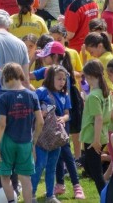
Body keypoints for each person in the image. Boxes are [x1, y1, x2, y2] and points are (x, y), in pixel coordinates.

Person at [0, 63, 43, 203]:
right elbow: (40, 122)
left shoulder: (4, 98)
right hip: (26, 141)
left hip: (8, 141)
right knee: (25, 178)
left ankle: (11, 201)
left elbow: (2, 124)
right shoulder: (32, 95)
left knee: (5, 176)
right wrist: (33, 141)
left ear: (6, 77)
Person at [32, 64, 70, 203]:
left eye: (64, 79)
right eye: (59, 79)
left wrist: (63, 119)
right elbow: (32, 109)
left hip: (56, 135)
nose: (62, 82)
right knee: (40, 164)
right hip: (41, 134)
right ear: (50, 78)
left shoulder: (64, 95)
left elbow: (67, 114)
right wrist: (41, 113)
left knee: (52, 166)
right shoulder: (41, 91)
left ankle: (50, 195)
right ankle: (32, 195)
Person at [81, 59, 111, 194]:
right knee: (88, 165)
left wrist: (96, 141)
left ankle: (107, 198)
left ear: (90, 76)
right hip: (101, 134)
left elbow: (98, 118)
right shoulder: (106, 92)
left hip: (93, 137)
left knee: (97, 174)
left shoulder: (94, 96)